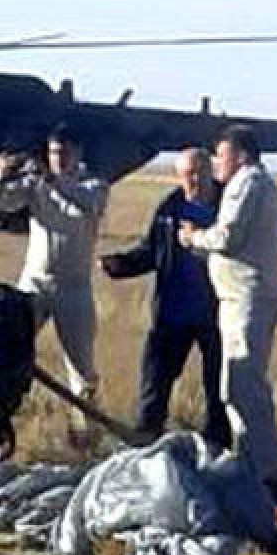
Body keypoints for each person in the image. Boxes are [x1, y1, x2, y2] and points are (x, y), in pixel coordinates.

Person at [175, 126, 277, 509]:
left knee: (244, 387)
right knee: (237, 387)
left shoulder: (247, 184)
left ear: (240, 154)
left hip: (246, 300)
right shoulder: (260, 185)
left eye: (221, 155)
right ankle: (252, 467)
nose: (216, 164)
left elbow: (228, 237)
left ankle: (269, 475)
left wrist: (194, 237)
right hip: (242, 298)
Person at [99, 146, 231, 448]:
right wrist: (122, 265)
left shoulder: (230, 205)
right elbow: (152, 252)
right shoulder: (169, 208)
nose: (194, 180)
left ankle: (219, 450)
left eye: (199, 172)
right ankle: (145, 444)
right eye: (187, 175)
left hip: (217, 314)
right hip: (172, 312)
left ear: (211, 172)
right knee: (155, 383)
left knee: (220, 389)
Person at [0, 124, 109, 443]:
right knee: (9, 351)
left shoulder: (94, 185)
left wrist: (53, 180)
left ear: (79, 153)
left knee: (81, 367)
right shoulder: (36, 184)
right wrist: (2, 174)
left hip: (74, 287)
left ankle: (85, 434)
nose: (59, 159)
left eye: (65, 152)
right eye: (54, 153)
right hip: (36, 283)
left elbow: (84, 205)